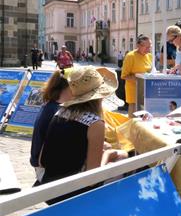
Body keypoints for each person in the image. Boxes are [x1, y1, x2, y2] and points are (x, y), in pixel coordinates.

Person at [38, 66, 128, 204]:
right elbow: (92, 178)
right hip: (72, 191)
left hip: (49, 186)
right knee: (122, 156)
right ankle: (107, 208)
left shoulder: (60, 112)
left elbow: (41, 160)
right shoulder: (95, 123)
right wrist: (109, 154)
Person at [30, 70, 72, 176]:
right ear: (68, 88)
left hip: (40, 161)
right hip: (44, 166)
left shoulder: (52, 105)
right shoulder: (57, 111)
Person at [121, 34, 153, 118]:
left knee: (145, 111)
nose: (148, 49)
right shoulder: (130, 56)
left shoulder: (149, 56)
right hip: (133, 88)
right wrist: (138, 78)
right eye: (146, 47)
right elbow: (124, 75)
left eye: (150, 47)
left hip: (146, 88)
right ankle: (131, 127)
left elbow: (150, 70)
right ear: (138, 45)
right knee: (134, 111)